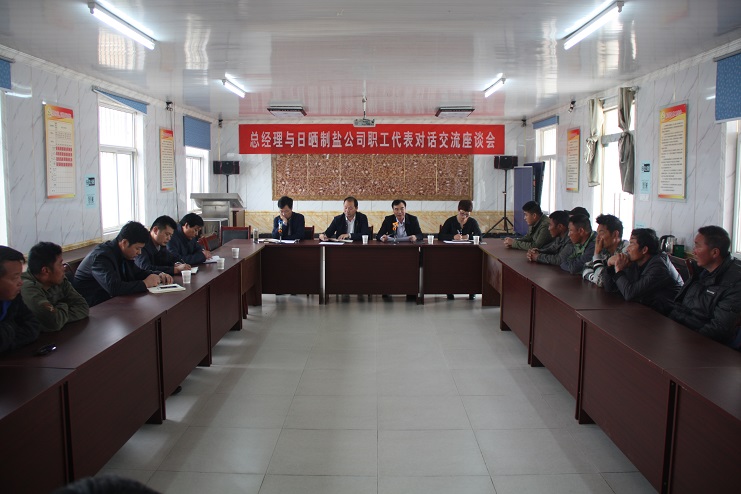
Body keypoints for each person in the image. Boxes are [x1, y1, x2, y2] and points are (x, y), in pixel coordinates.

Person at [667, 226, 741, 349]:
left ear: (715, 253)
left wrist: (685, 343)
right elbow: (679, 307)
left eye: (697, 246)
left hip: (704, 346)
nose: (694, 251)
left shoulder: (735, 282)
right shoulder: (700, 270)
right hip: (682, 335)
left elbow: (719, 329)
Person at [74, 222, 173, 307]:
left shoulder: (122, 252)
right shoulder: (101, 257)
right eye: (137, 248)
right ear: (124, 242)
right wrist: (145, 283)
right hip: (93, 308)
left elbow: (137, 273)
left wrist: (158, 274)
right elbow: (114, 288)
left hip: (110, 303)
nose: (139, 253)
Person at [603, 228, 683, 311]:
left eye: (632, 244)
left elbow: (629, 294)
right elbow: (610, 289)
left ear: (644, 250)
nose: (627, 249)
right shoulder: (636, 261)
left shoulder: (659, 266)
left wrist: (619, 270)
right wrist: (609, 265)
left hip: (667, 314)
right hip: (646, 309)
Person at [21, 242, 89, 332]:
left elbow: (83, 307)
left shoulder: (58, 279)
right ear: (45, 270)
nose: (64, 268)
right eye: (60, 264)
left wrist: (58, 314)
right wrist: (63, 304)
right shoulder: (28, 288)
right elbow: (54, 322)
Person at [0, 246, 40, 354]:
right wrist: (12, 326)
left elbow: (33, 326)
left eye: (20, 276)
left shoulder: (13, 296)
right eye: (15, 277)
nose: (20, 282)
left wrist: (7, 331)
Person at [582, 214, 629, 287]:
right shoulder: (605, 250)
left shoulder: (626, 250)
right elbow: (586, 268)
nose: (597, 238)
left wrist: (596, 254)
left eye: (601, 233)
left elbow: (602, 281)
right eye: (597, 234)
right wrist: (594, 278)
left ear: (615, 234)